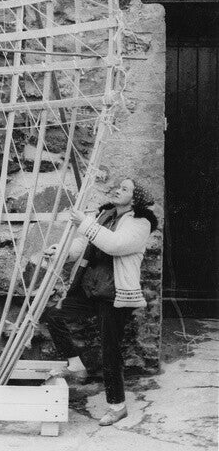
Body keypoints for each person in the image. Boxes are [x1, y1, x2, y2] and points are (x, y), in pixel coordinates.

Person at [42, 177, 158, 427]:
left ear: (136, 198)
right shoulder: (105, 215)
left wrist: (83, 222)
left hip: (115, 294)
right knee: (53, 314)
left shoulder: (141, 223)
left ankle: (117, 407)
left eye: (125, 188)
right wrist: (60, 252)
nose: (117, 190)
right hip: (90, 288)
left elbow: (115, 244)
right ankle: (75, 364)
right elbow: (84, 244)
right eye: (118, 186)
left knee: (110, 351)